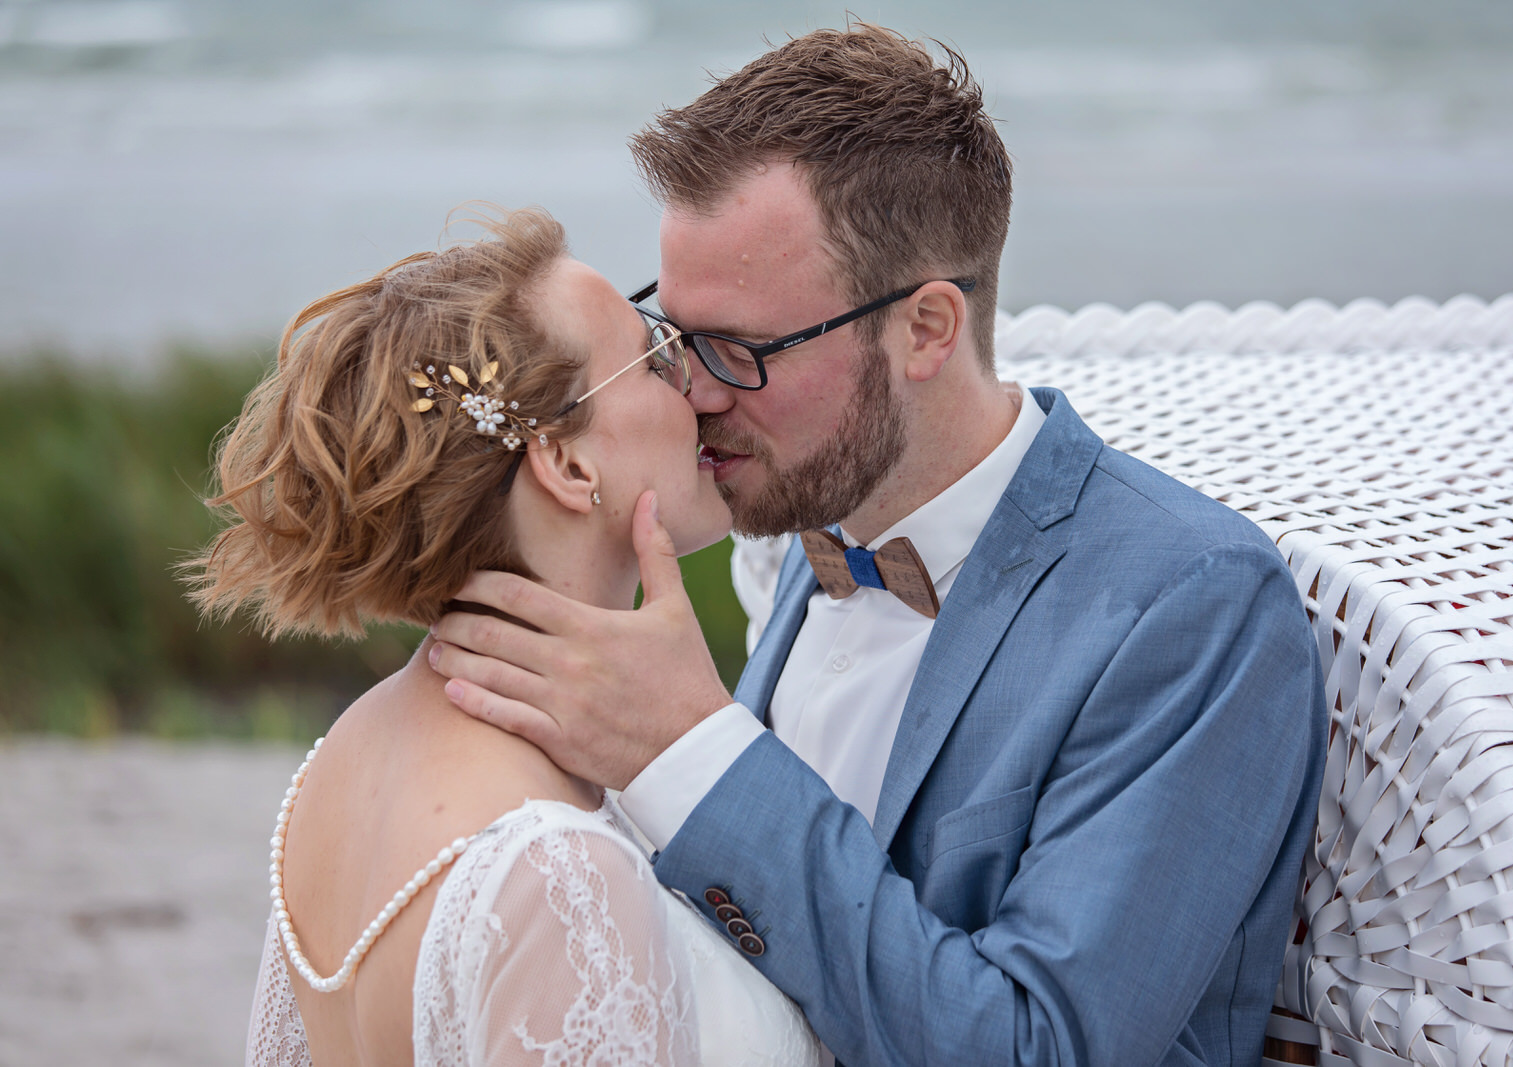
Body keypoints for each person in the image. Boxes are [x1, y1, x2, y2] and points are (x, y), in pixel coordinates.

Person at [427, 25, 1328, 1067]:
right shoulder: (806, 517)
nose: (696, 391)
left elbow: (1041, 1047)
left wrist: (693, 747)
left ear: (927, 330)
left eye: (742, 349)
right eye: (672, 337)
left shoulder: (1189, 606)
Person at [188, 207, 823, 1065]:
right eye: (655, 358)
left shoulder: (337, 764)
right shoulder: (560, 874)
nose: (702, 388)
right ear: (565, 463)